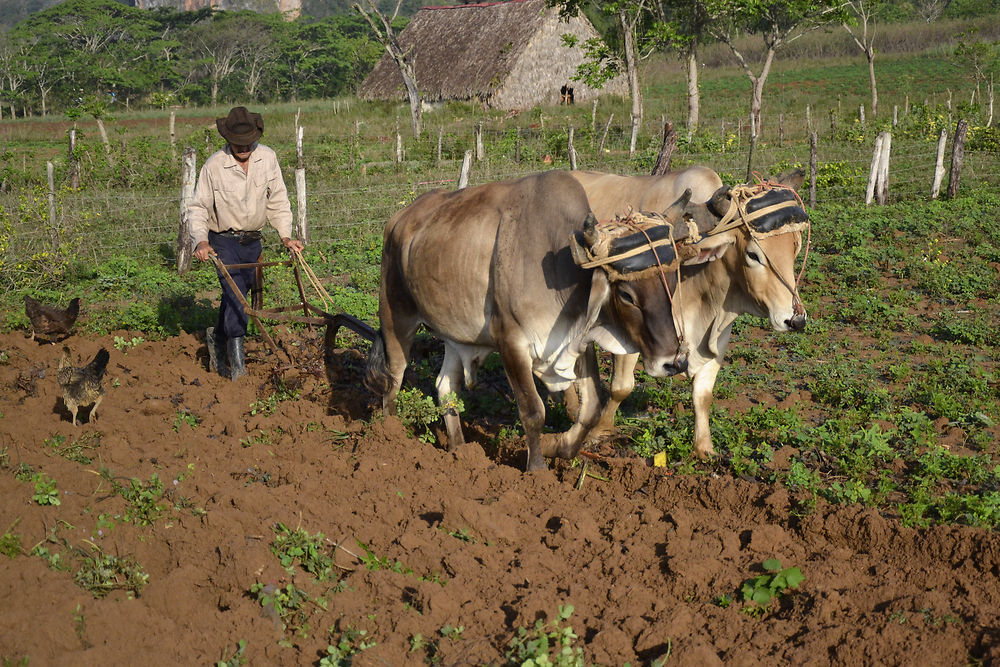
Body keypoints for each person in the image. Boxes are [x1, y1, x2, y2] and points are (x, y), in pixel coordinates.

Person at [188, 106, 304, 380]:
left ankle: (217, 338)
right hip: (223, 242)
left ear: (255, 136)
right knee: (238, 298)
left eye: (248, 142)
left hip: (253, 241)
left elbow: (277, 200)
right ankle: (238, 370)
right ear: (228, 139)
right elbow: (198, 207)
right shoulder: (214, 165)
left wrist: (285, 236)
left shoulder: (267, 158)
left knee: (238, 294)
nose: (243, 148)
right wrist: (202, 241)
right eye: (238, 143)